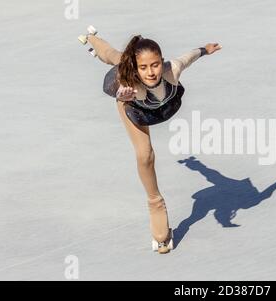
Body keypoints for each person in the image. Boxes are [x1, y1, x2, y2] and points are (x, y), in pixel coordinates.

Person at [78, 26, 222, 254]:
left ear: (161, 61)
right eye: (143, 67)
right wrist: (122, 95)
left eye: (154, 65)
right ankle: (156, 205)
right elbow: (121, 91)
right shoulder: (129, 82)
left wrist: (205, 50)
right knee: (145, 155)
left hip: (162, 107)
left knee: (119, 57)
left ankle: (93, 40)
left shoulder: (171, 69)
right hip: (134, 109)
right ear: (136, 69)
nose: (151, 72)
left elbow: (189, 57)